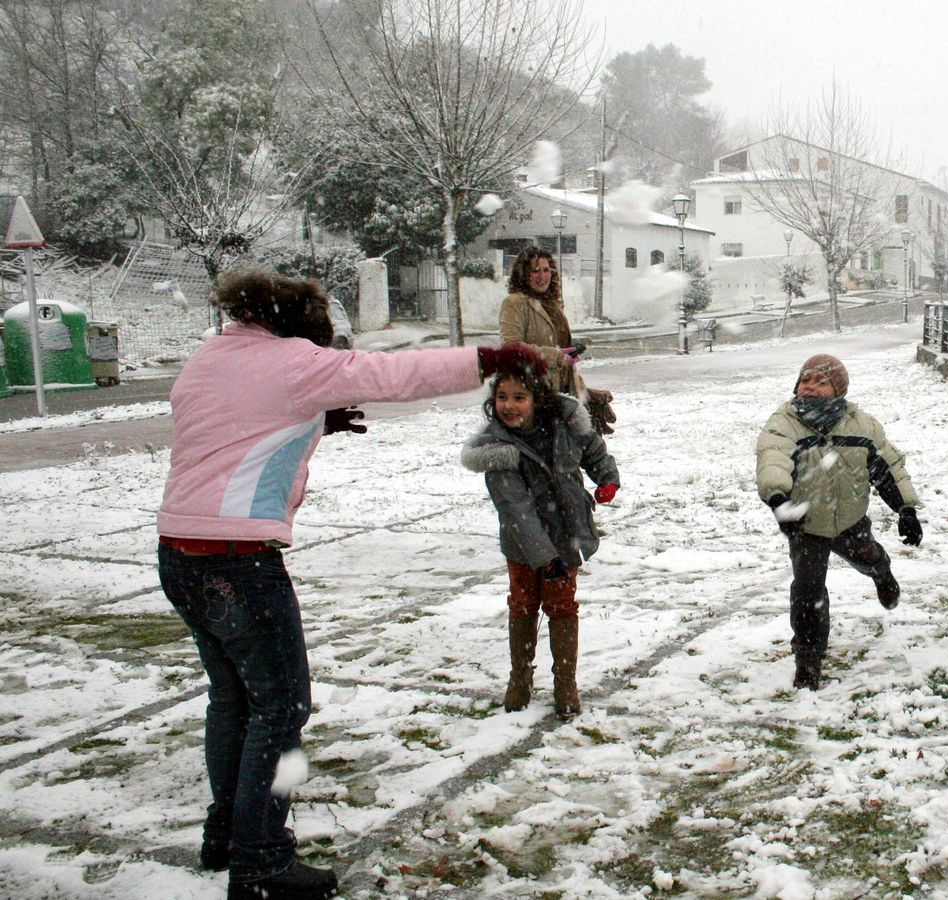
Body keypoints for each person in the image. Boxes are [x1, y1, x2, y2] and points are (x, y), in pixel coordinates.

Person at [157, 267, 545, 899]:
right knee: (280, 706)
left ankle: (227, 833)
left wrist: (315, 421)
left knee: (233, 699)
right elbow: (391, 374)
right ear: (298, 324)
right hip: (237, 559)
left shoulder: (209, 357)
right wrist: (490, 359)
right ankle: (261, 864)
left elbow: (230, 424)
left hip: (179, 551)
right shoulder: (293, 360)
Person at [460, 361, 619, 718]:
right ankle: (520, 677)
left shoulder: (564, 423)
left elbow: (593, 449)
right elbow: (516, 509)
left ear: (538, 399)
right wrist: (545, 559)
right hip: (523, 545)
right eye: (502, 397)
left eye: (519, 397)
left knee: (562, 606)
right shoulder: (497, 449)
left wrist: (607, 478)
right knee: (523, 603)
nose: (509, 405)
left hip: (568, 532)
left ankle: (565, 682)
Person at [755, 354, 922, 690]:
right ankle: (808, 659)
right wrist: (779, 499)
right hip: (806, 525)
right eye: (805, 380)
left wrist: (905, 509)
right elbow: (773, 458)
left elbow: (887, 467)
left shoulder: (862, 426)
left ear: (839, 390)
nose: (810, 387)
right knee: (808, 592)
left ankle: (881, 573)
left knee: (867, 556)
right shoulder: (785, 422)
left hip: (850, 520)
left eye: (821, 382)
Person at [498, 246, 616, 435]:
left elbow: (564, 359)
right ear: (523, 274)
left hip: (562, 395)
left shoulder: (552, 304)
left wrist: (585, 392)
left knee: (582, 448)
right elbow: (511, 348)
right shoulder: (515, 303)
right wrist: (555, 356)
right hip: (533, 396)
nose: (542, 276)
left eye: (546, 270)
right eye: (535, 270)